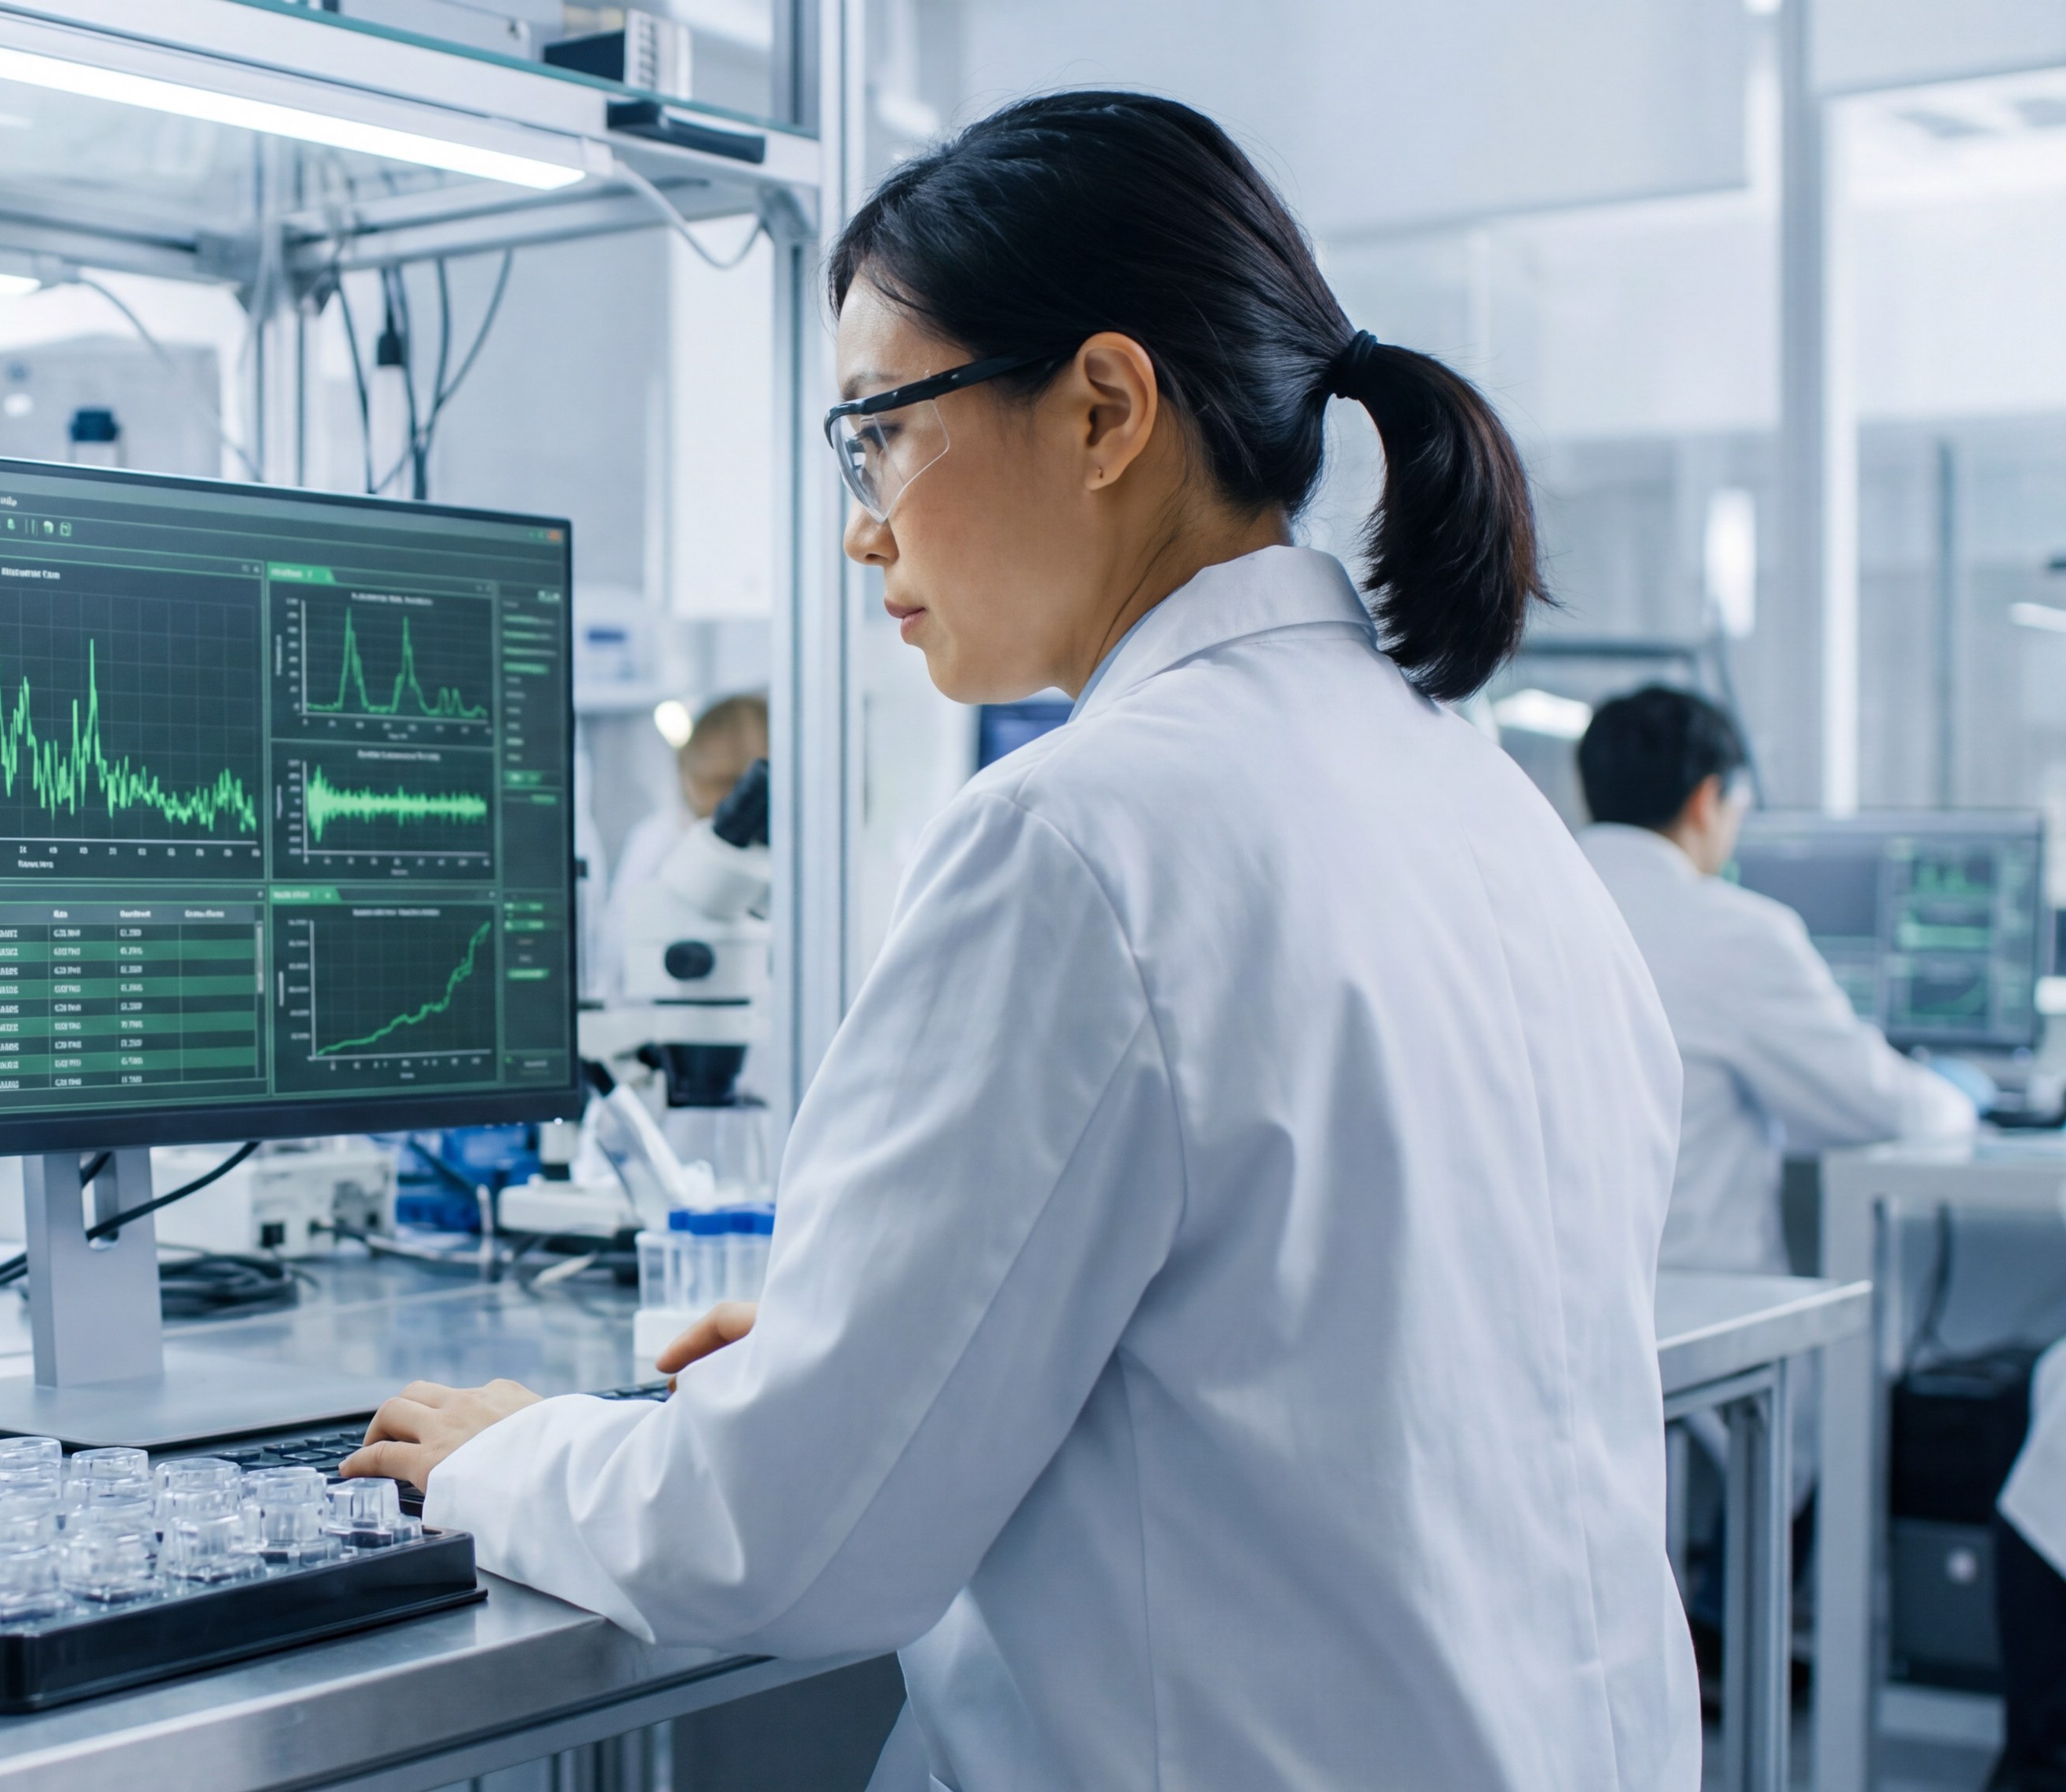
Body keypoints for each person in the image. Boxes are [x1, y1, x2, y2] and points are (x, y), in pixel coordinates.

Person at [347, 91, 1699, 1787]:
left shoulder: (1081, 835)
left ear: (1104, 408)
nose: (860, 527)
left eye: (876, 431)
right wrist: (906, 1346)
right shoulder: (1485, 805)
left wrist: (508, 1453)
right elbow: (1338, 1357)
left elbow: (781, 1550)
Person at [1573, 686, 1977, 1275]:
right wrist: (1960, 1100)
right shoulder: (1731, 931)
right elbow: (1877, 1108)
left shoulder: (1521, 905)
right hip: (1700, 1312)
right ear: (1708, 800)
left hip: (1547, 1312)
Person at [592, 693, 768, 998]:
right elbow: (615, 963)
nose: (733, 797)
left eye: (744, 782)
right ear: (687, 776)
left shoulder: (802, 852)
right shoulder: (656, 842)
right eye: (720, 782)